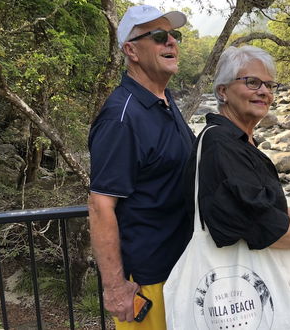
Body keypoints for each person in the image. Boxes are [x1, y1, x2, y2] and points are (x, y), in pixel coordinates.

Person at [183, 45, 290, 321]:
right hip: (238, 298)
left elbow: (240, 202)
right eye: (252, 82)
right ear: (223, 91)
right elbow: (260, 224)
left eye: (269, 85)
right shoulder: (221, 144)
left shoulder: (238, 140)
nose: (264, 91)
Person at [88, 5, 195, 329]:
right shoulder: (121, 118)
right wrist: (115, 289)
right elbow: (100, 207)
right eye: (160, 36)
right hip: (149, 283)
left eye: (174, 35)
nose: (172, 43)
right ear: (131, 50)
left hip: (183, 271)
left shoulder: (164, 100)